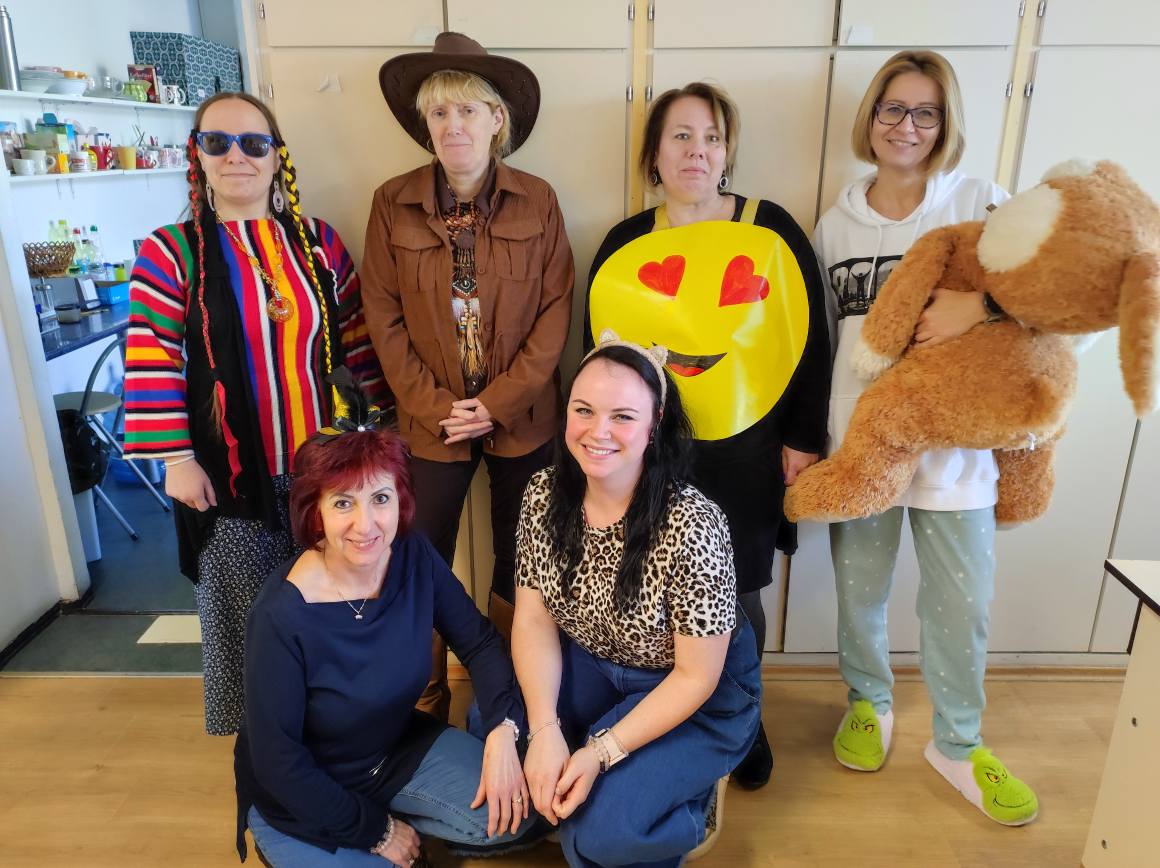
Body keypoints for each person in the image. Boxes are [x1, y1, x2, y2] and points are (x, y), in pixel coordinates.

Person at [812, 49, 1038, 824]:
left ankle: (959, 742)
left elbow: (1051, 288)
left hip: (957, 453)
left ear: (946, 124)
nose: (906, 126)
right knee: (859, 593)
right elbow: (821, 339)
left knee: (961, 603)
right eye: (893, 109)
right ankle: (868, 702)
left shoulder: (981, 200)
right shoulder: (835, 223)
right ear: (871, 117)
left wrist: (981, 307)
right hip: (863, 449)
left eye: (925, 113)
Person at [584, 82, 831, 788]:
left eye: (713, 137)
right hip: (653, 456)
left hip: (748, 452)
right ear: (654, 154)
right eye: (682, 136)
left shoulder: (771, 229)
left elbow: (809, 341)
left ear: (728, 153)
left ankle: (742, 721)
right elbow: (599, 359)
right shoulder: (625, 244)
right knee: (654, 588)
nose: (698, 151)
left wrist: (803, 438)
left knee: (738, 592)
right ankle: (667, 718)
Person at [123, 92, 386, 736]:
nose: (236, 156)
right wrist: (176, 460)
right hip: (234, 478)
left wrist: (376, 435)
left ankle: (336, 734)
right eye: (217, 143)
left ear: (277, 157)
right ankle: (264, 750)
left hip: (326, 474)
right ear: (198, 156)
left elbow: (355, 342)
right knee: (250, 617)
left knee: (333, 606)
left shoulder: (320, 243)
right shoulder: (171, 251)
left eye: (254, 143)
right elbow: (152, 357)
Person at [361, 32, 574, 720]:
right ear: (426, 125)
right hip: (431, 421)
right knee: (417, 553)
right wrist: (437, 407)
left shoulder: (538, 200)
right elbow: (382, 315)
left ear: (496, 120)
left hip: (524, 417)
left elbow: (556, 312)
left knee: (523, 555)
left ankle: (506, 694)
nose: (453, 125)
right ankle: (423, 697)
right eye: (439, 112)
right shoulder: (391, 202)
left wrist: (499, 403)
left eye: (468, 110)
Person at [234, 393, 534, 866]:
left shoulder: (412, 554)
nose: (366, 524)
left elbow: (478, 641)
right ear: (316, 512)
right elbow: (279, 763)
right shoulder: (280, 616)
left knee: (518, 810)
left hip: (393, 751)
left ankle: (400, 814)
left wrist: (502, 729)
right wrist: (379, 832)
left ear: (401, 500)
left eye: (380, 498)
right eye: (343, 503)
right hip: (303, 788)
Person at [513, 332, 762, 867]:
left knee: (598, 835)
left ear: (654, 426)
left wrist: (601, 752)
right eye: (584, 410)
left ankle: (689, 807)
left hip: (692, 691)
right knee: (501, 736)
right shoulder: (542, 493)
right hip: (592, 666)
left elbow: (696, 677)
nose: (597, 431)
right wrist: (545, 729)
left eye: (623, 417)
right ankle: (615, 784)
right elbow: (532, 619)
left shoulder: (693, 523)